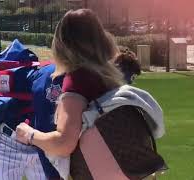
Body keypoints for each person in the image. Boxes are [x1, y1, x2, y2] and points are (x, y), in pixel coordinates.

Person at [16, 9, 166, 180]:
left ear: (63, 44)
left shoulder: (77, 80)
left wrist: (29, 134)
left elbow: (64, 143)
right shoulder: (109, 75)